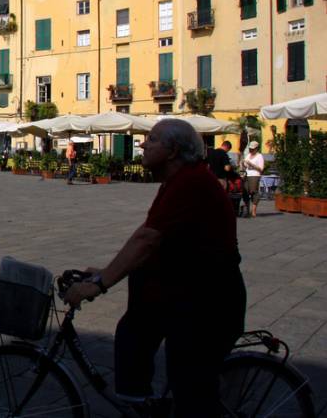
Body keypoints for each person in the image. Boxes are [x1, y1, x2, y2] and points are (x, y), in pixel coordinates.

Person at [65, 119, 245, 416]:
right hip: (190, 293)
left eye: (152, 139)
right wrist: (106, 271)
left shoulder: (191, 183)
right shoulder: (178, 181)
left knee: (190, 393)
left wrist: (98, 284)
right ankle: (139, 401)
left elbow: (147, 240)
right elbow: (147, 232)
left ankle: (144, 402)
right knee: (135, 332)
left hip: (207, 305)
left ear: (172, 151)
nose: (142, 144)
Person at [241, 140, 265, 218]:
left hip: (255, 175)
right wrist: (242, 163)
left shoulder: (259, 156)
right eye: (250, 149)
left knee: (253, 192)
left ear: (256, 148)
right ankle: (246, 210)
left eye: (252, 149)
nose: (251, 150)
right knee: (245, 192)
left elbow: (261, 169)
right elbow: (245, 166)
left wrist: (252, 164)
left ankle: (254, 210)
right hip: (247, 175)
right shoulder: (248, 155)